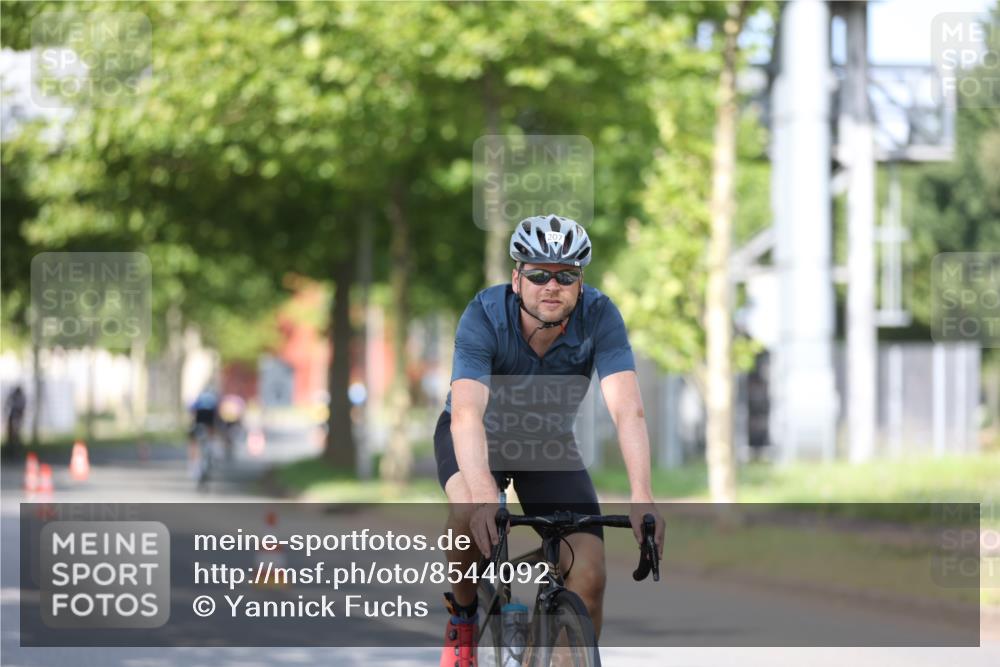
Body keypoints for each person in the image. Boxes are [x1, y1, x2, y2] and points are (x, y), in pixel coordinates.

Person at [434, 214, 665, 667]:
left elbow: (627, 409)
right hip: (480, 435)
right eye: (538, 274)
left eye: (566, 276)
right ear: (517, 278)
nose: (551, 286)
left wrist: (642, 494)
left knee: (591, 574)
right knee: (467, 512)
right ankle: (462, 618)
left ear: (581, 283)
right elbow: (466, 414)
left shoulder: (600, 316)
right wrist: (485, 495)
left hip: (547, 444)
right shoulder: (484, 314)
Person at [4, 385, 27, 459]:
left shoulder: (21, 398)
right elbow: (7, 404)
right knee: (11, 435)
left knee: (16, 436)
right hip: (12, 417)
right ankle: (10, 451)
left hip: (17, 417)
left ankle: (16, 452)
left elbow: (22, 409)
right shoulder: (13, 396)